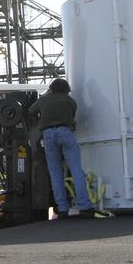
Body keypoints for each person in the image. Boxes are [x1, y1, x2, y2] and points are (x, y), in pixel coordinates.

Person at [29, 78, 91, 218]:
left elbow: (31, 110)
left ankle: (62, 209)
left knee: (55, 172)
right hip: (65, 132)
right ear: (66, 89)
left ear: (51, 88)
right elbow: (72, 115)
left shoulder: (45, 100)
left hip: (48, 134)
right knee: (76, 170)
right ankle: (85, 206)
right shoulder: (70, 101)